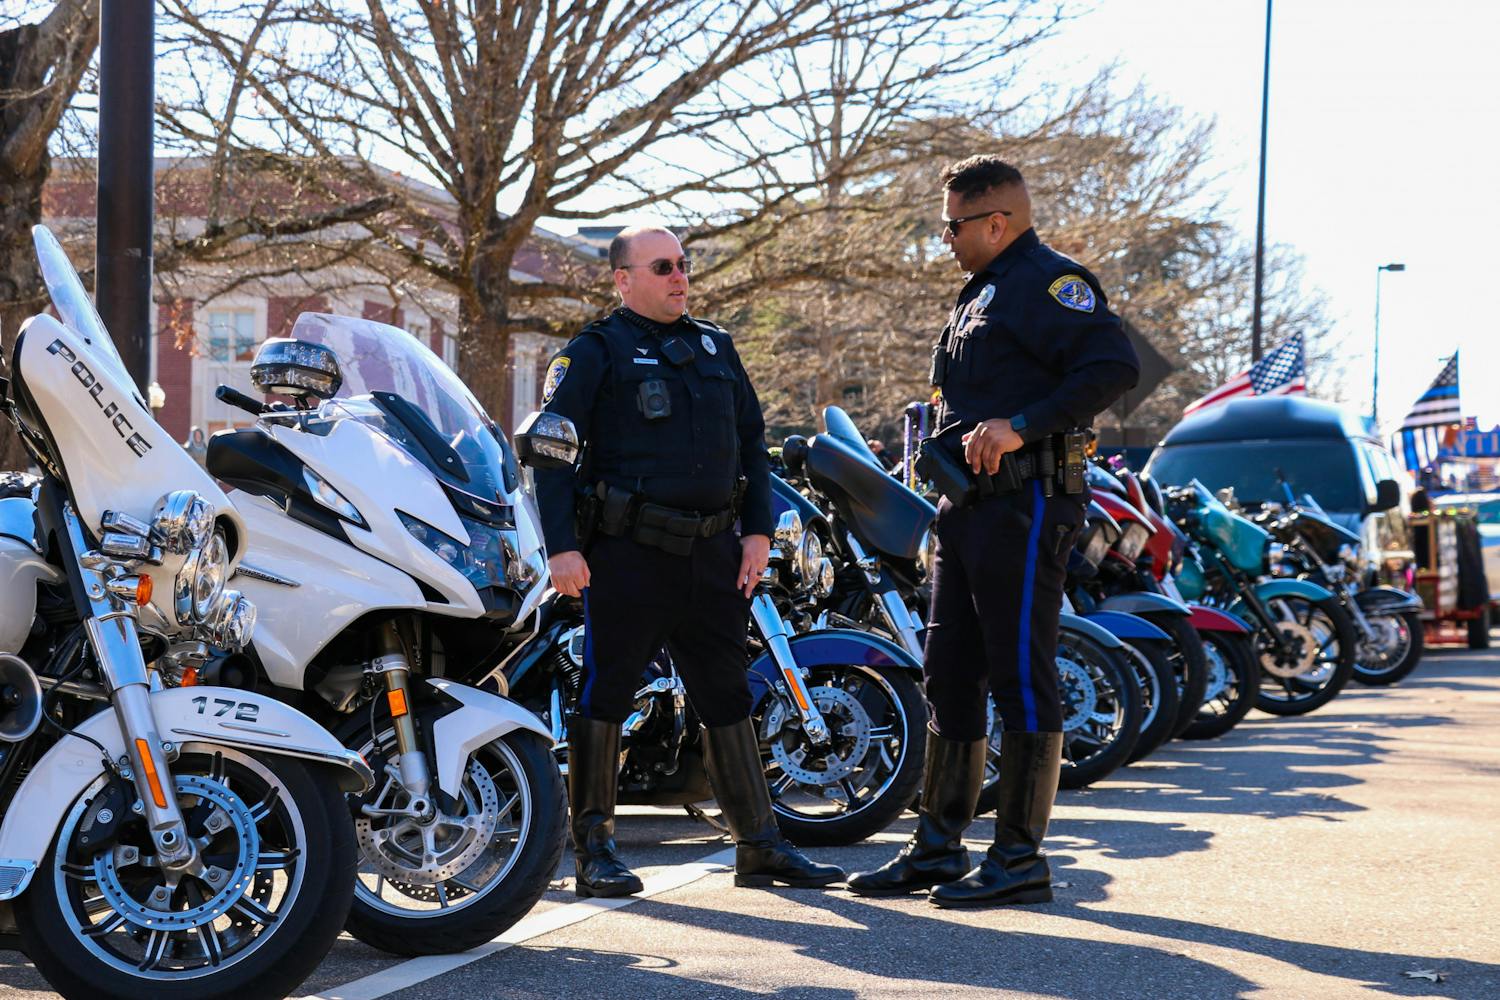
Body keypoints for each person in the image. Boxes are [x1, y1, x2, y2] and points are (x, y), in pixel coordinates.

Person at [849, 155, 1139, 907]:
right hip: (968, 509)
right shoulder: (982, 293)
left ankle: (1019, 860)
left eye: (952, 225)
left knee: (1019, 673)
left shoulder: (1049, 282)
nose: (944, 237)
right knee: (949, 676)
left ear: (996, 222)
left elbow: (1112, 367)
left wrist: (1020, 426)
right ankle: (938, 848)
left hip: (1028, 500)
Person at [533, 225, 843, 898]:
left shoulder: (715, 346)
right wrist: (561, 546)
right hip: (627, 553)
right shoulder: (596, 352)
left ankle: (759, 847)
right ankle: (595, 852)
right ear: (623, 279)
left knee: (726, 694)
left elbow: (751, 442)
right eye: (664, 266)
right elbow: (551, 449)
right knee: (607, 690)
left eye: (685, 265)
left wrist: (758, 532)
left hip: (713, 553)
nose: (681, 276)